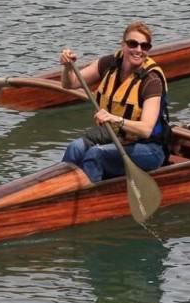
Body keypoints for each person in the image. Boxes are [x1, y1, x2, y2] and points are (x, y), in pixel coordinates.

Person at [59, 21, 171, 182]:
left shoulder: (151, 81)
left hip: (149, 149)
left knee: (95, 154)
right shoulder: (108, 64)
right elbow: (70, 83)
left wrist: (114, 119)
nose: (138, 50)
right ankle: (60, 188)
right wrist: (68, 67)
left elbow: (146, 129)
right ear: (123, 45)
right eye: (133, 44)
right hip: (116, 139)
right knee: (75, 148)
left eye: (145, 46)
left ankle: (90, 199)